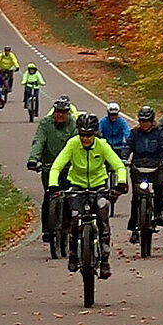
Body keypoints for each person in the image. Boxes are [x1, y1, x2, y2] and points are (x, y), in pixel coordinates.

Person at [49, 114, 126, 279]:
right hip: (77, 186)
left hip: (99, 186)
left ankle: (104, 261)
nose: (85, 138)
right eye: (82, 134)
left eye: (89, 135)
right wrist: (53, 184)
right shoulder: (72, 144)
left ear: (95, 133)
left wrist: (121, 183)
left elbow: (119, 166)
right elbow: (57, 166)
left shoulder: (102, 145)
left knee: (103, 218)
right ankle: (73, 254)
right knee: (75, 218)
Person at [28, 96, 79, 251]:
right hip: (49, 167)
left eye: (63, 112)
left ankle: (70, 227)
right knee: (49, 196)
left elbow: (77, 144)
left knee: (70, 197)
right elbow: (39, 141)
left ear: (68, 113)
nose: (60, 115)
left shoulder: (73, 125)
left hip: (69, 167)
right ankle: (47, 229)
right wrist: (34, 159)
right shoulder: (46, 124)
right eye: (58, 112)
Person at [125, 106, 163, 235]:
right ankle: (134, 226)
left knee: (160, 187)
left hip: (155, 165)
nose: (144, 124)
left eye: (147, 121)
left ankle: (159, 212)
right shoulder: (134, 133)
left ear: (151, 121)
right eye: (142, 121)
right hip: (138, 166)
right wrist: (123, 158)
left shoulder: (159, 133)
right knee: (136, 196)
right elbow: (128, 146)